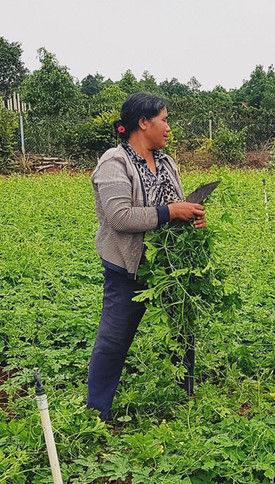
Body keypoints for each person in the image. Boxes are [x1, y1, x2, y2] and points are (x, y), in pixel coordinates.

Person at [86, 93, 206, 421]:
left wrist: (191, 214)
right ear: (143, 122)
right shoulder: (115, 162)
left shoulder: (166, 161)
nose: (168, 127)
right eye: (164, 120)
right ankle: (96, 413)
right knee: (114, 339)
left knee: (184, 330)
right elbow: (120, 217)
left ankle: (185, 399)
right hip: (127, 264)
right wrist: (171, 211)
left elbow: (176, 204)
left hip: (167, 264)